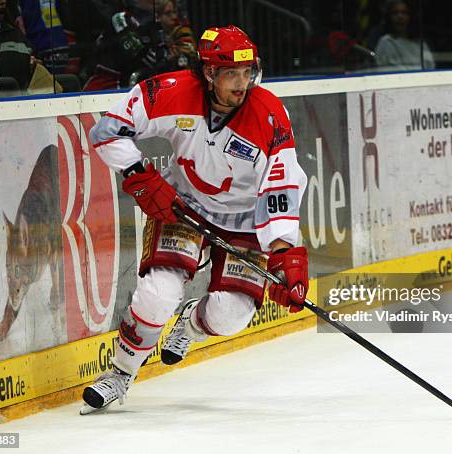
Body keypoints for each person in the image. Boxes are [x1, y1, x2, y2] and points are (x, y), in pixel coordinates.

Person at [82, 25, 309, 411]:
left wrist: (285, 251)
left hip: (245, 223)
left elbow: (281, 184)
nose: (242, 84)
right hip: (184, 205)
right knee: (157, 295)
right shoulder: (168, 91)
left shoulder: (269, 114)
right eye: (231, 74)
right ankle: (120, 374)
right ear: (208, 73)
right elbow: (108, 131)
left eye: (248, 72)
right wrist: (139, 174)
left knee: (229, 316)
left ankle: (189, 324)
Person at [82, 0, 196, 91]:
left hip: (135, 86)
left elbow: (162, 59)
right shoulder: (120, 18)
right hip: (105, 85)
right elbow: (146, 58)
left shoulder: (154, 25)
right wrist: (170, 56)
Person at [373, 0, 434, 71]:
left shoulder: (420, 44)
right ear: (389, 17)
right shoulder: (386, 42)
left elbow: (430, 67)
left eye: (404, 12)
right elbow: (381, 69)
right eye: (395, 13)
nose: (400, 16)